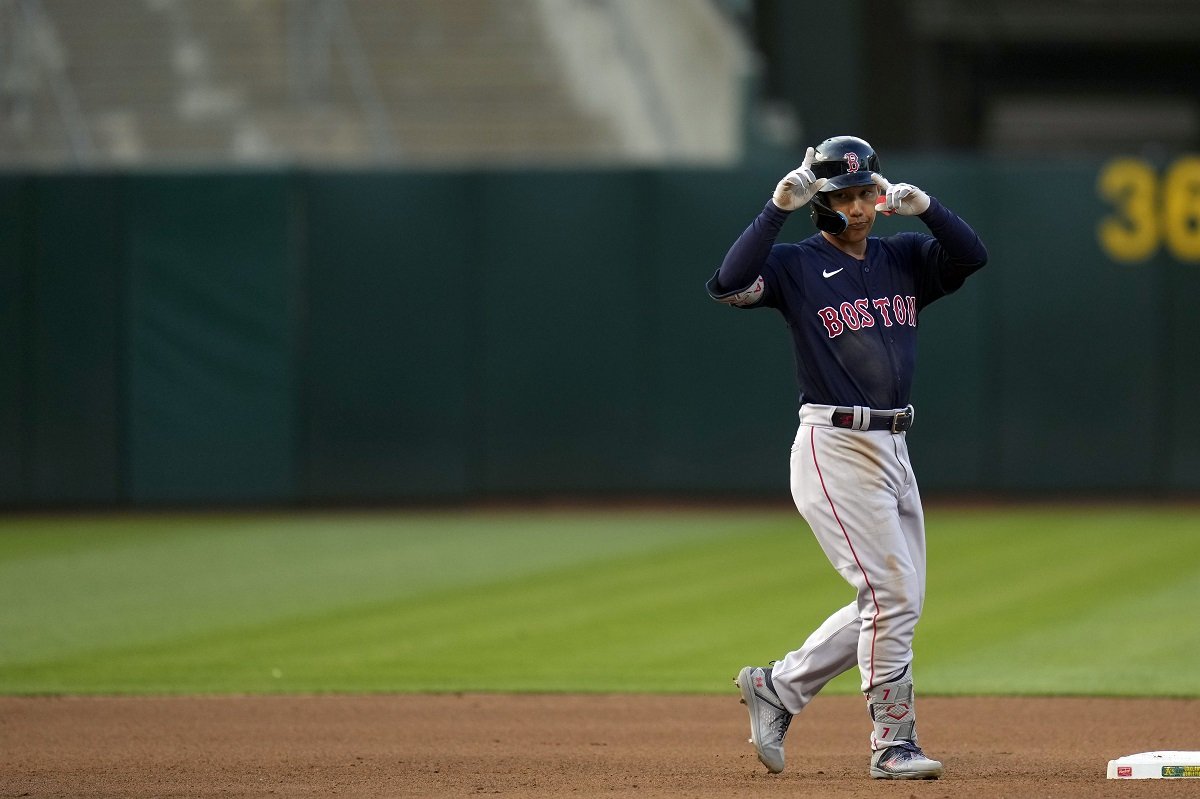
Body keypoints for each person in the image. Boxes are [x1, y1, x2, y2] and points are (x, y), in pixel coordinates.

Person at [707, 136, 987, 780]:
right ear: (821, 202)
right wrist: (776, 207)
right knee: (891, 595)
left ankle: (778, 687)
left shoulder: (905, 256)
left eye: (866, 193)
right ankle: (894, 742)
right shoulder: (796, 264)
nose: (858, 208)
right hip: (835, 444)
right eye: (844, 196)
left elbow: (972, 256)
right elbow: (727, 284)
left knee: (893, 599)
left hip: (895, 444)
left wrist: (929, 208)